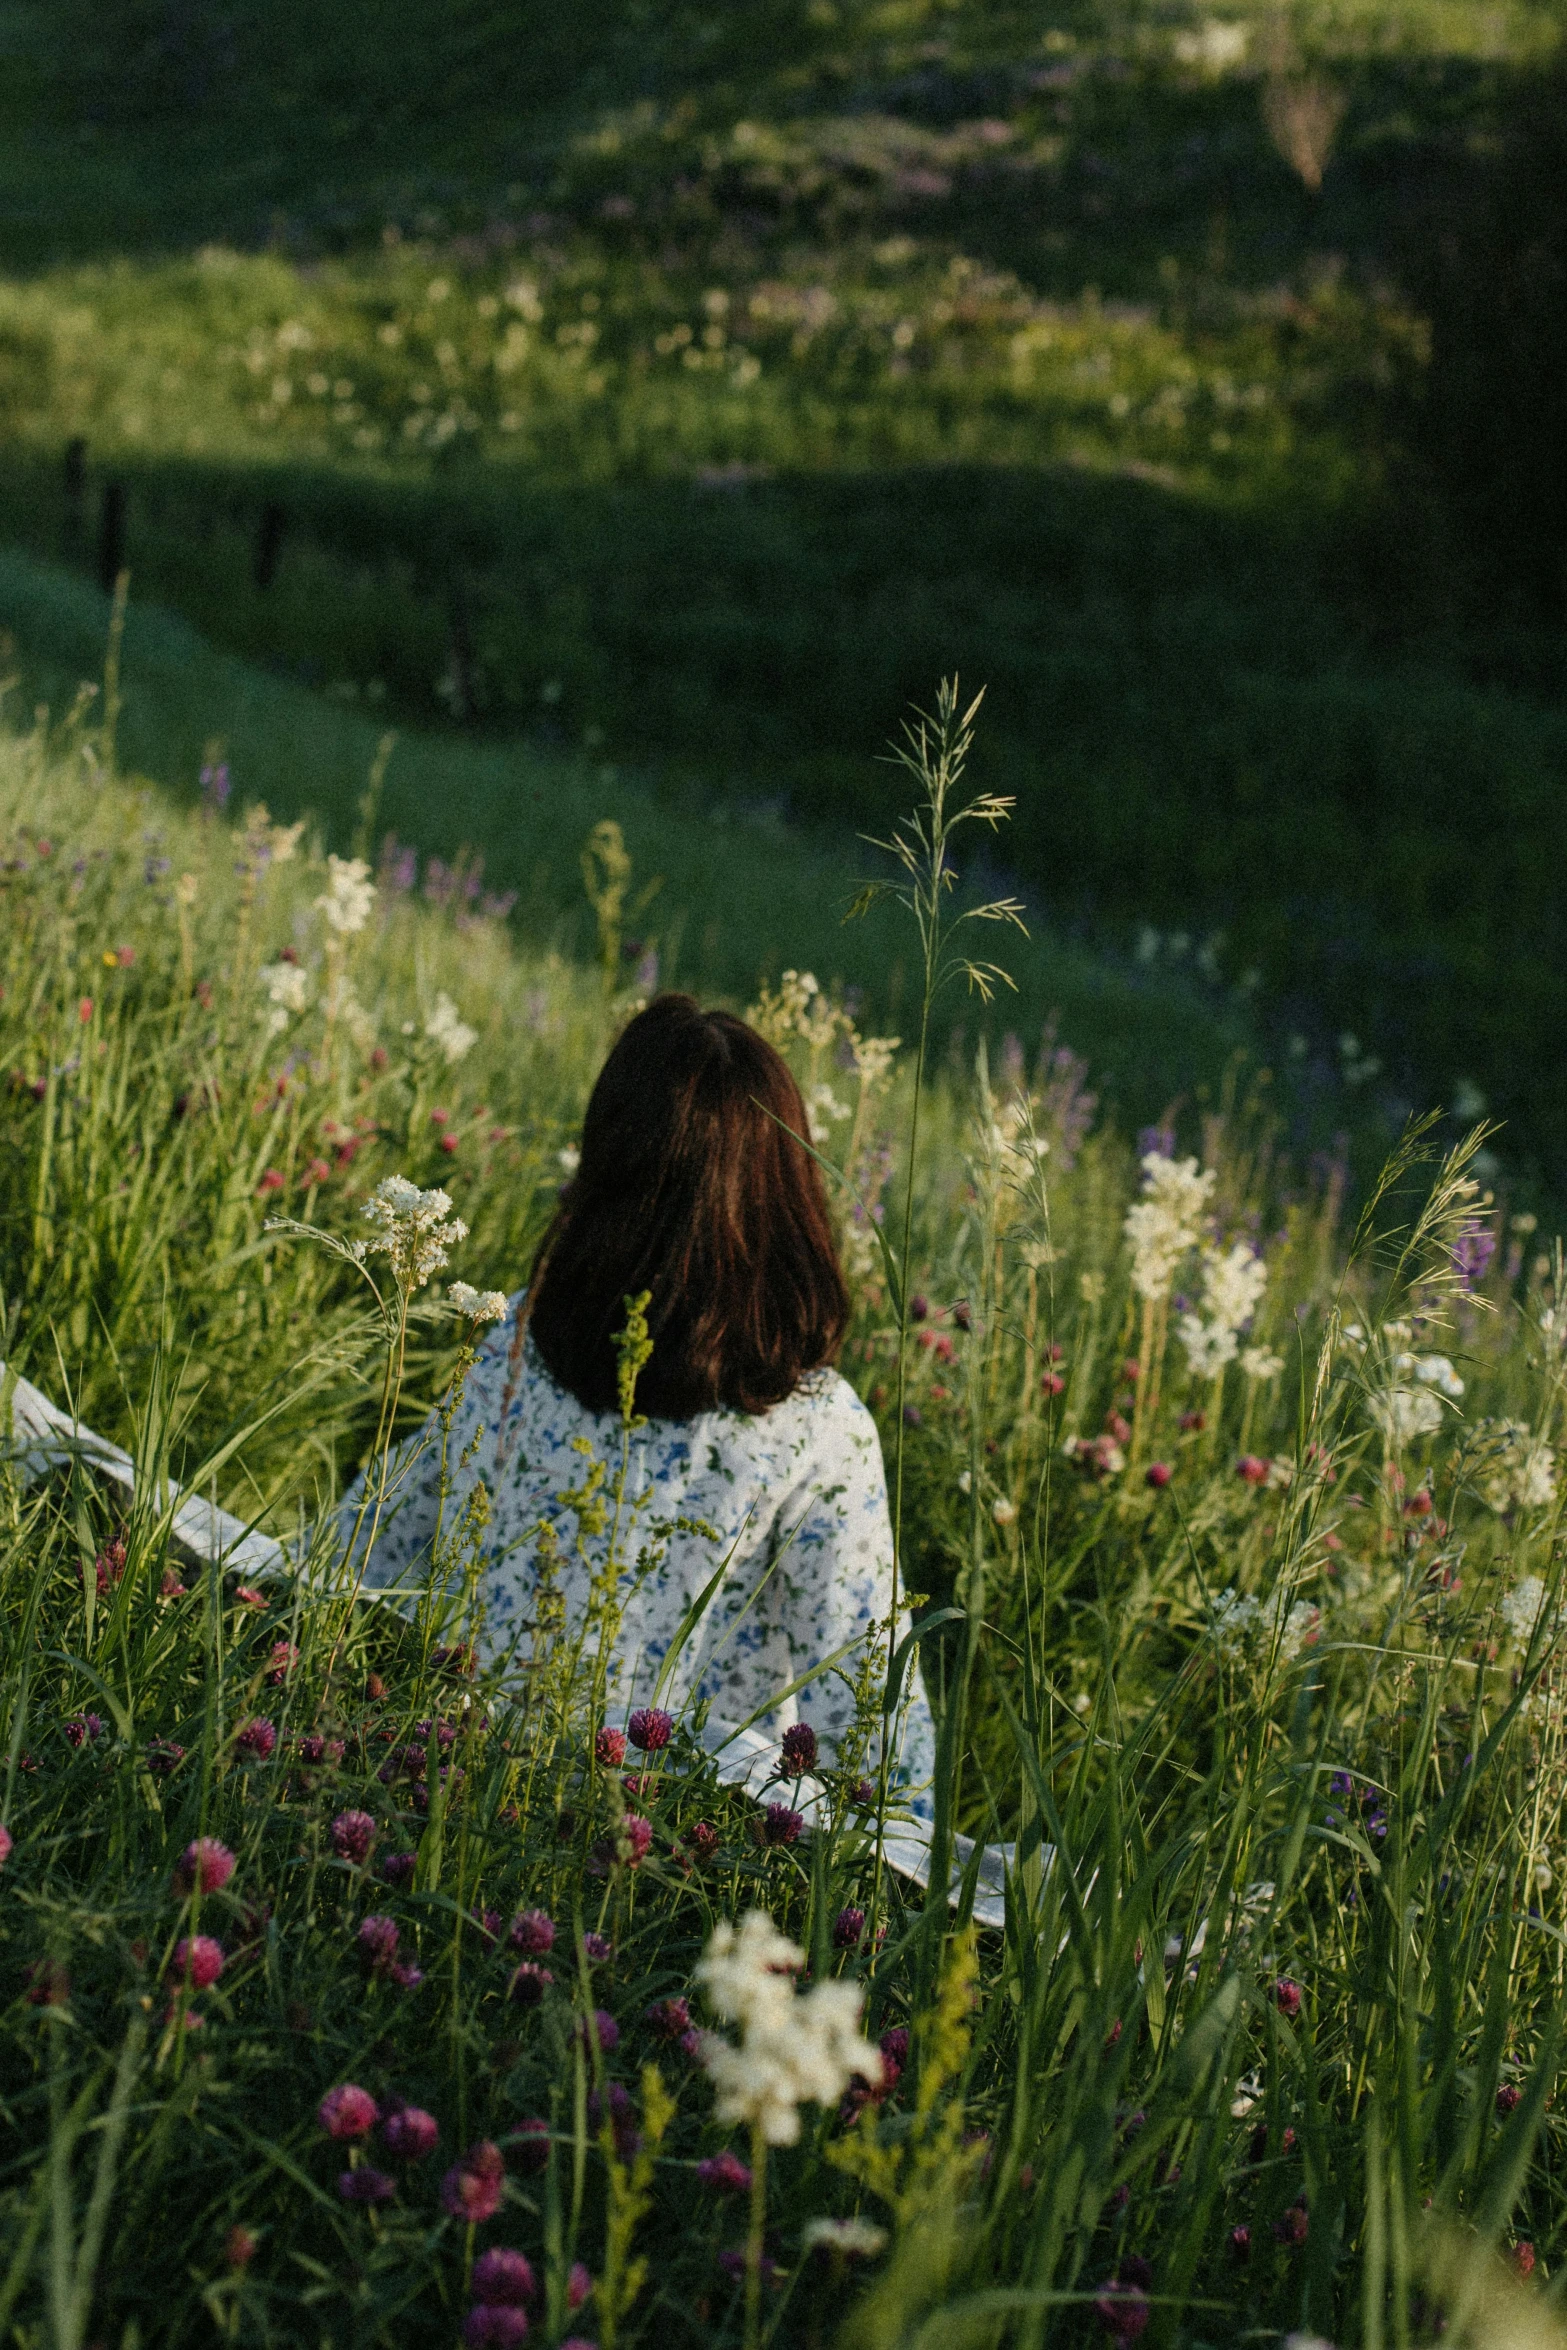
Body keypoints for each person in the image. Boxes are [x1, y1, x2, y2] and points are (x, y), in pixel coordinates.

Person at [343, 992, 937, 1822]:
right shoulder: (813, 1429)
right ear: (783, 1201)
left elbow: (362, 1549)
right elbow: (876, 1736)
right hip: (668, 1866)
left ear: (604, 1170)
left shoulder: (518, 1338)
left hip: (458, 1805)